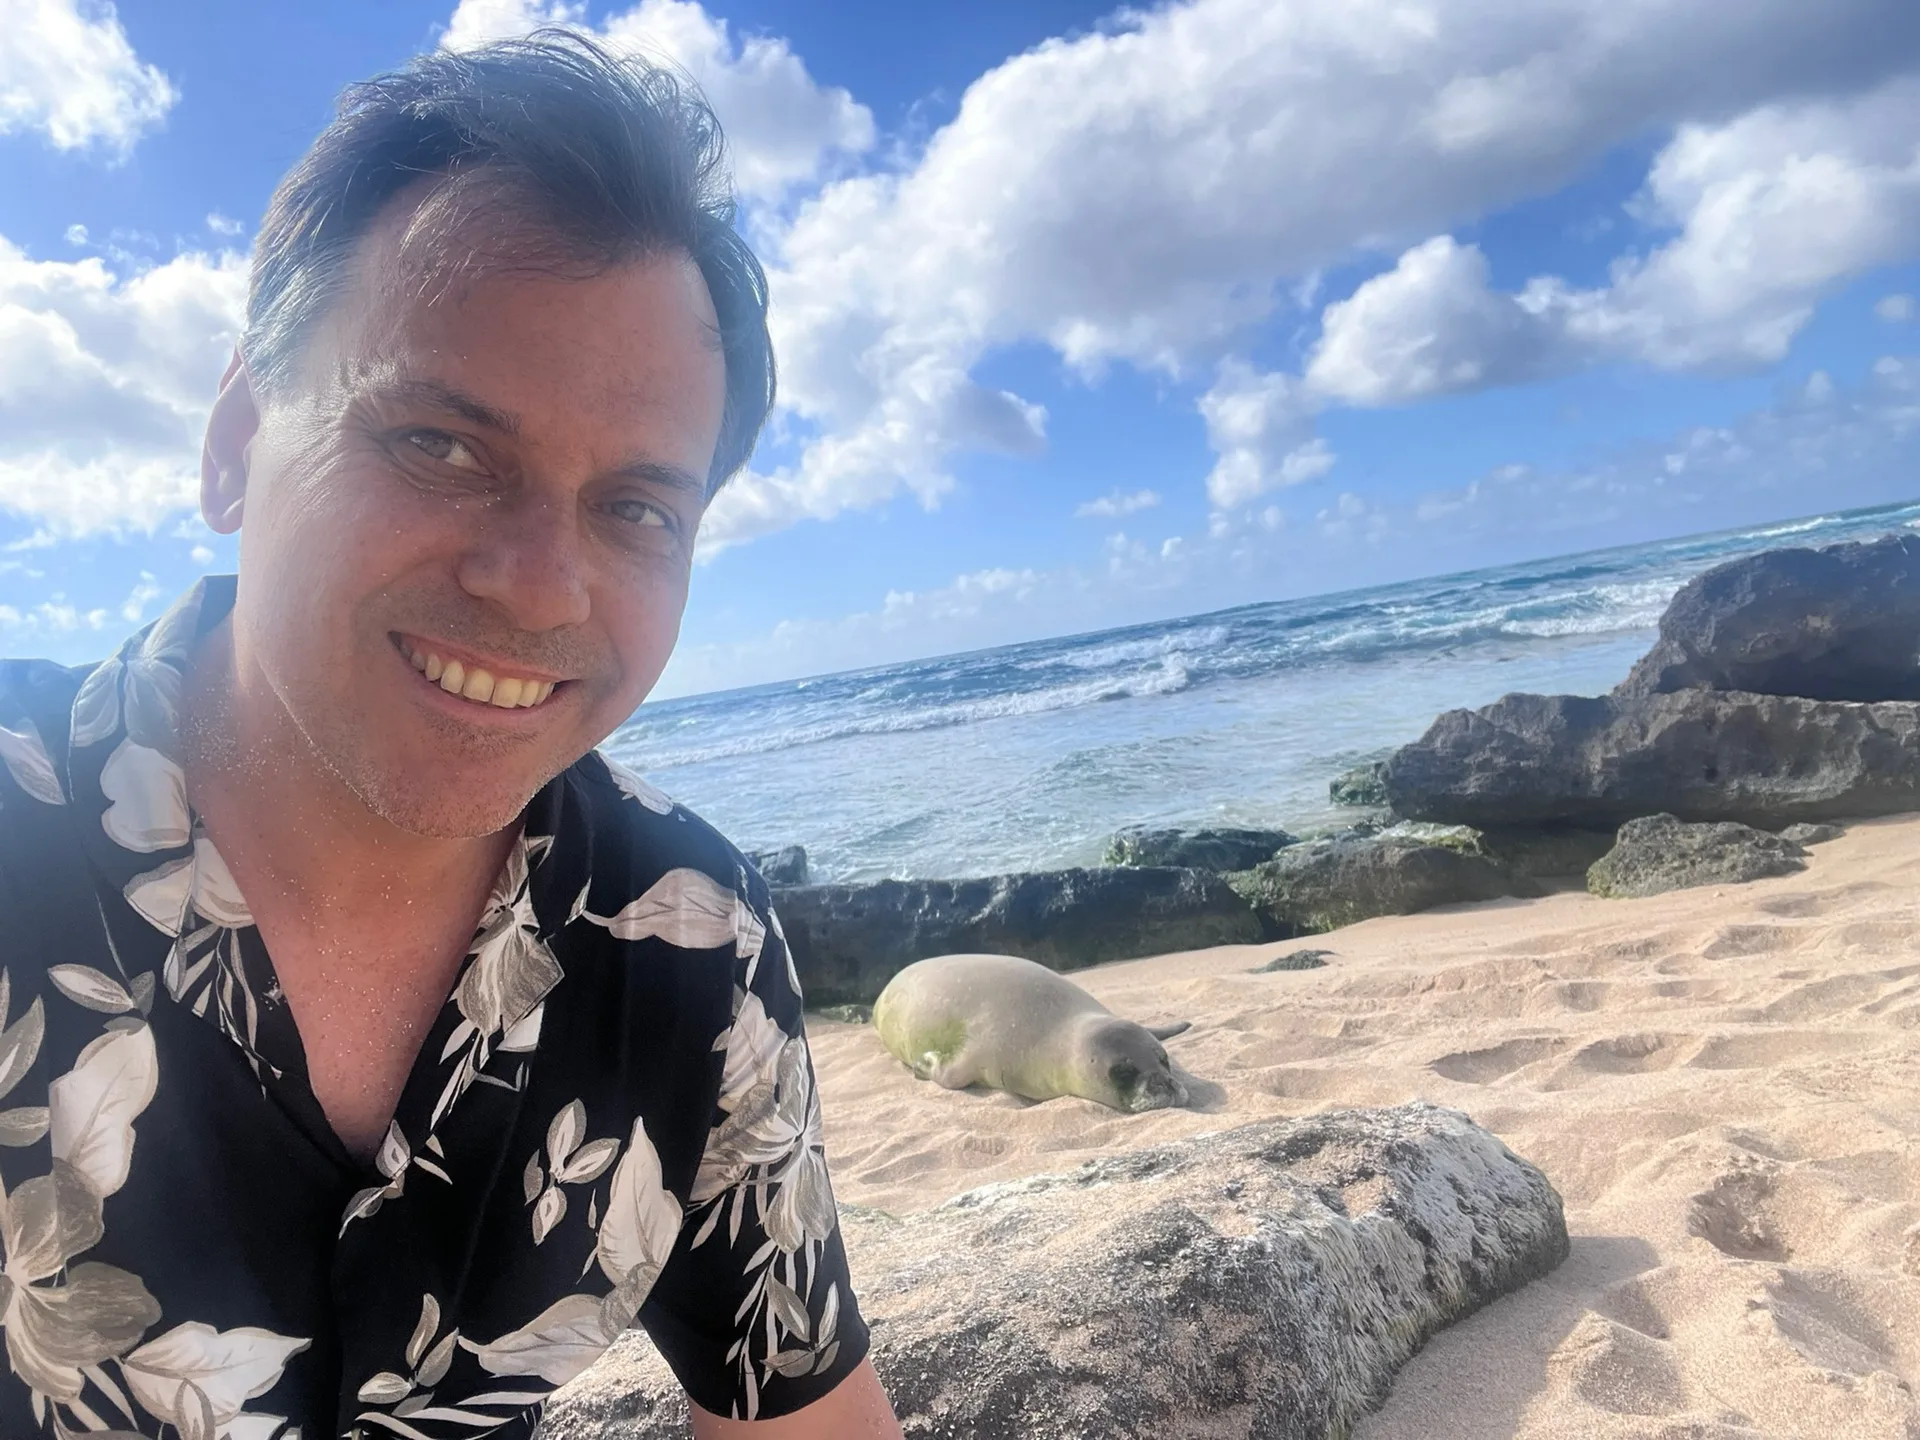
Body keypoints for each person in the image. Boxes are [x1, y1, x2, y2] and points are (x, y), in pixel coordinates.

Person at [0, 31, 901, 1440]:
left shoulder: (685, 943)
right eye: (440, 444)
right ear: (237, 441)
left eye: (636, 509)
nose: (539, 586)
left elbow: (806, 1412)